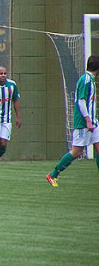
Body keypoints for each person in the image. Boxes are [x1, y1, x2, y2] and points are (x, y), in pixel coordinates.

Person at [47, 55, 99, 187]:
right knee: (77, 151)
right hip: (83, 123)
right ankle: (53, 174)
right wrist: (87, 120)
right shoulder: (85, 80)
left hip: (93, 122)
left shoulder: (91, 80)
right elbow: (81, 101)